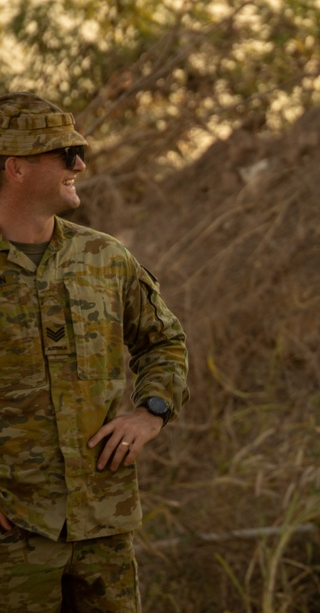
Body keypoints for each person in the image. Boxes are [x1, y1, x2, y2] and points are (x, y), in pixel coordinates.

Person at [0, 92, 189, 612]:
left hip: (101, 527)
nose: (79, 164)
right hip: (12, 537)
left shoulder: (103, 257)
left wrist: (151, 413)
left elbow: (164, 341)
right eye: (64, 154)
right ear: (15, 166)